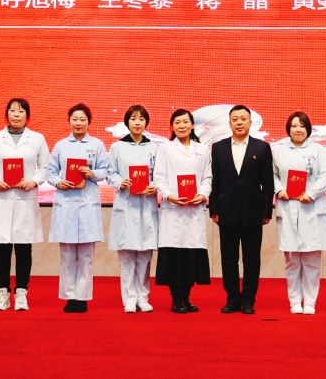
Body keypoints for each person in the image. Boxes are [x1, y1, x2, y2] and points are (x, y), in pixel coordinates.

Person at [0, 97, 50, 311]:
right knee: (2, 248)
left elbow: (45, 167)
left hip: (24, 200)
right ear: (6, 114)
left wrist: (33, 181)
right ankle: (2, 294)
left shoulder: (37, 139)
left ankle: (21, 293)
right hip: (2, 199)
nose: (16, 115)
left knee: (23, 247)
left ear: (27, 116)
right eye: (12, 110)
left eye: (20, 111)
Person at [210, 105, 274, 315]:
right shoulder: (218, 148)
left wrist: (266, 211)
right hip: (226, 210)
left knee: (251, 259)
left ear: (250, 122)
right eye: (235, 119)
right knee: (228, 259)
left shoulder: (262, 148)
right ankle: (232, 299)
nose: (239, 122)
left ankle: (248, 300)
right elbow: (215, 181)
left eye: (243, 119)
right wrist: (213, 208)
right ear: (229, 123)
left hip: (253, 212)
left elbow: (268, 183)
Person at [46, 104, 108, 313]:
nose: (78, 123)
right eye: (75, 119)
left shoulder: (97, 145)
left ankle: (82, 297)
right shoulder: (61, 145)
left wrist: (92, 174)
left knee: (86, 257)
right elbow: (50, 172)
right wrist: (58, 182)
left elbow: (105, 170)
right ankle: (69, 296)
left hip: (87, 203)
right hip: (66, 203)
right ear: (69, 121)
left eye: (82, 119)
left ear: (89, 122)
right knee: (67, 256)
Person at [272, 111, 326, 315]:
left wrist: (312, 193)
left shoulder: (319, 151)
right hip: (288, 206)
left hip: (311, 207)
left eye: (302, 126)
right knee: (292, 260)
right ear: (288, 129)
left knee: (311, 260)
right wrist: (279, 190)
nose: (298, 129)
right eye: (294, 126)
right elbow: (272, 174)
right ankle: (295, 301)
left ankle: (310, 302)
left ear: (308, 129)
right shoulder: (278, 151)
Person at [153, 108, 212, 313]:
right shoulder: (165, 149)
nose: (182, 125)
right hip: (173, 210)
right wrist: (169, 195)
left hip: (194, 209)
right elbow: (159, 177)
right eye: (177, 122)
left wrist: (202, 194)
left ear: (192, 125)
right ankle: (176, 299)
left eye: (185, 122)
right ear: (171, 127)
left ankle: (186, 297)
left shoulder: (202, 149)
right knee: (174, 255)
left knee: (191, 255)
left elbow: (207, 177)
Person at [107, 105, 159, 313]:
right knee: (127, 255)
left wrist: (154, 185)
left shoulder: (154, 147)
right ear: (127, 122)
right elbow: (110, 173)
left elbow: (160, 174)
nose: (137, 122)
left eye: (141, 119)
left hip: (146, 205)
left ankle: (143, 297)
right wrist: (121, 182)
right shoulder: (117, 147)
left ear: (146, 122)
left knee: (145, 255)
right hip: (126, 204)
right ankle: (129, 297)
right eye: (133, 118)